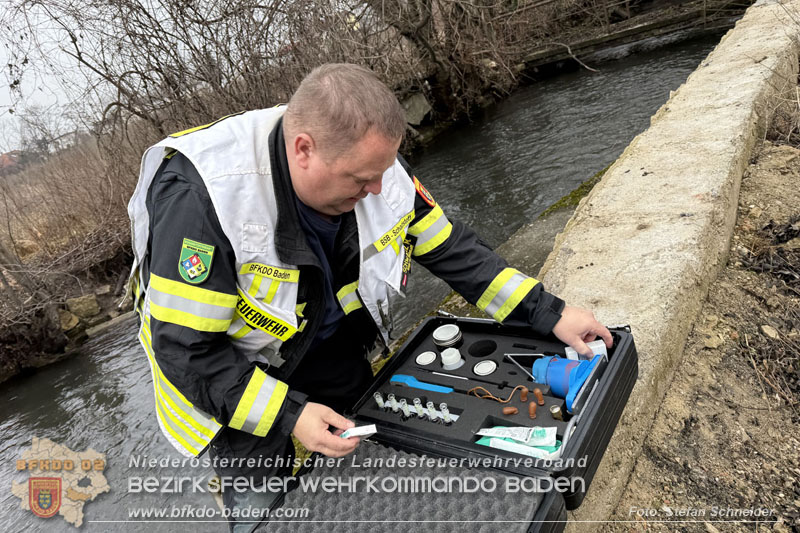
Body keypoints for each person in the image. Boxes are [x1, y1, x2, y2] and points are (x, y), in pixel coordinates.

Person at [126, 63, 612, 531]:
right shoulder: (201, 196)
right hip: (230, 372)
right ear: (303, 151)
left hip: (327, 342)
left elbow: (452, 250)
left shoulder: (374, 165)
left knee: (367, 477)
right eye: (360, 180)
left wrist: (549, 312)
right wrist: (289, 413)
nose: (377, 189)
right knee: (263, 506)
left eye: (381, 173)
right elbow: (187, 353)